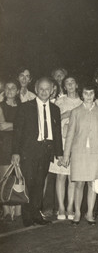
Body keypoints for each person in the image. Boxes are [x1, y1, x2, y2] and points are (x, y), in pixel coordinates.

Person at [12, 77, 63, 226]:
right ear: (36, 89)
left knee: (40, 184)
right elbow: (18, 132)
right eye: (41, 88)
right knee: (28, 182)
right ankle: (27, 217)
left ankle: (36, 215)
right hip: (29, 151)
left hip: (46, 151)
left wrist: (59, 153)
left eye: (47, 89)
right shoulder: (25, 107)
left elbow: (57, 133)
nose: (44, 91)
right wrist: (15, 152)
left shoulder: (55, 109)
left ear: (52, 90)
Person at [62, 83, 98, 225]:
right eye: (86, 93)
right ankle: (77, 212)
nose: (88, 96)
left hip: (96, 153)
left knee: (93, 184)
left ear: (95, 95)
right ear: (81, 95)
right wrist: (66, 155)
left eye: (91, 93)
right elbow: (70, 135)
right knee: (79, 184)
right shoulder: (75, 112)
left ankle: (89, 213)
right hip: (78, 153)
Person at [49, 76, 82, 220]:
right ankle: (61, 207)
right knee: (61, 176)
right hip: (62, 143)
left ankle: (70, 208)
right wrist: (65, 115)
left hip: (76, 143)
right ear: (64, 86)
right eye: (67, 83)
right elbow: (52, 122)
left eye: (72, 82)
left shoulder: (83, 101)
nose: (70, 84)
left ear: (76, 85)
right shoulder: (59, 102)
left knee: (73, 177)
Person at [0, 81, 21, 220]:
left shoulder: (22, 107)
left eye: (13, 88)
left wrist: (11, 126)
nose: (10, 90)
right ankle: (7, 210)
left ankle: (18, 211)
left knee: (19, 178)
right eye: (7, 88)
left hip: (19, 144)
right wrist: (19, 126)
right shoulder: (0, 106)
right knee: (5, 178)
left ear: (18, 91)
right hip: (4, 144)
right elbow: (2, 126)